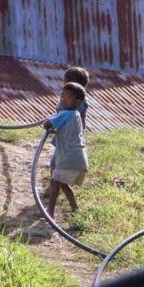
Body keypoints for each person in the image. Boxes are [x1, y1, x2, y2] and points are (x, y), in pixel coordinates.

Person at [43, 82, 88, 218]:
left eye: (67, 97)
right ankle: (75, 209)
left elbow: (47, 123)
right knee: (63, 184)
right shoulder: (75, 115)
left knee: (54, 182)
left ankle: (50, 212)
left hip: (68, 158)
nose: (62, 99)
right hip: (79, 158)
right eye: (62, 96)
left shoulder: (66, 114)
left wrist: (49, 125)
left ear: (77, 102)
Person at [49, 67, 90, 174]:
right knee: (60, 162)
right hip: (71, 136)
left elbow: (61, 111)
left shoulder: (75, 103)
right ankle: (56, 184)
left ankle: (54, 186)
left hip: (69, 135)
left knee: (56, 164)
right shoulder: (81, 100)